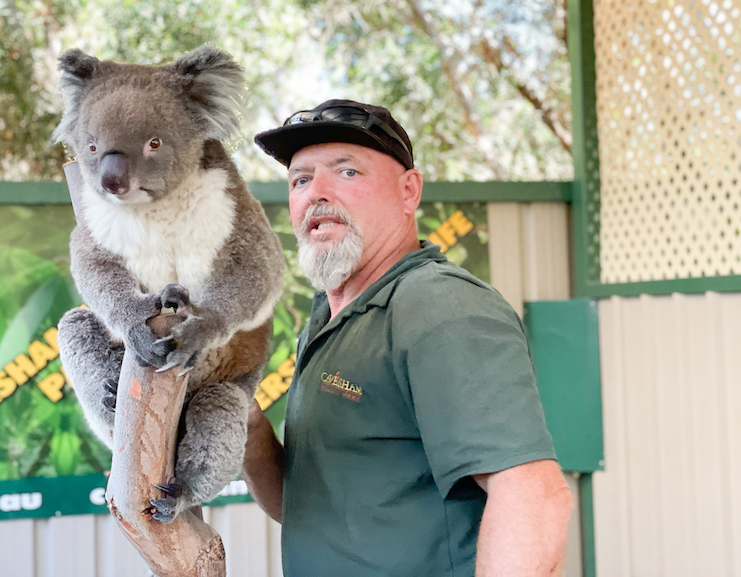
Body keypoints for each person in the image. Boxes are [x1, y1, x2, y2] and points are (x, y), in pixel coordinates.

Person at [245, 99, 573, 576]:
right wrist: (249, 426)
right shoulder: (328, 319)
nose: (317, 192)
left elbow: (533, 496)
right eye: (300, 179)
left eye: (347, 172)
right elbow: (309, 509)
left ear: (408, 191)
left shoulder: (439, 307)